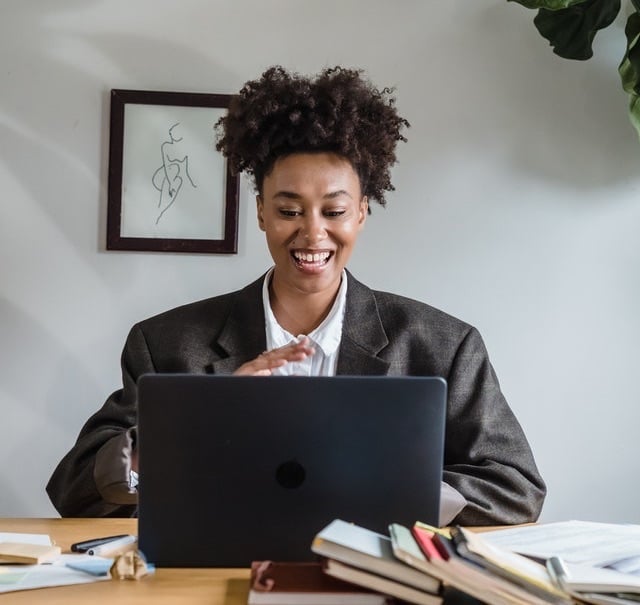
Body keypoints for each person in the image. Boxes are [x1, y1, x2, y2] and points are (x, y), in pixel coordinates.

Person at [47, 66, 546, 525]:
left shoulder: (444, 346)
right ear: (261, 212)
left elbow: (514, 487)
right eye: (289, 211)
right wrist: (196, 421)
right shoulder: (167, 342)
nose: (312, 234)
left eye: (333, 211)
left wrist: (385, 494)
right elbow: (75, 491)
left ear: (361, 213)